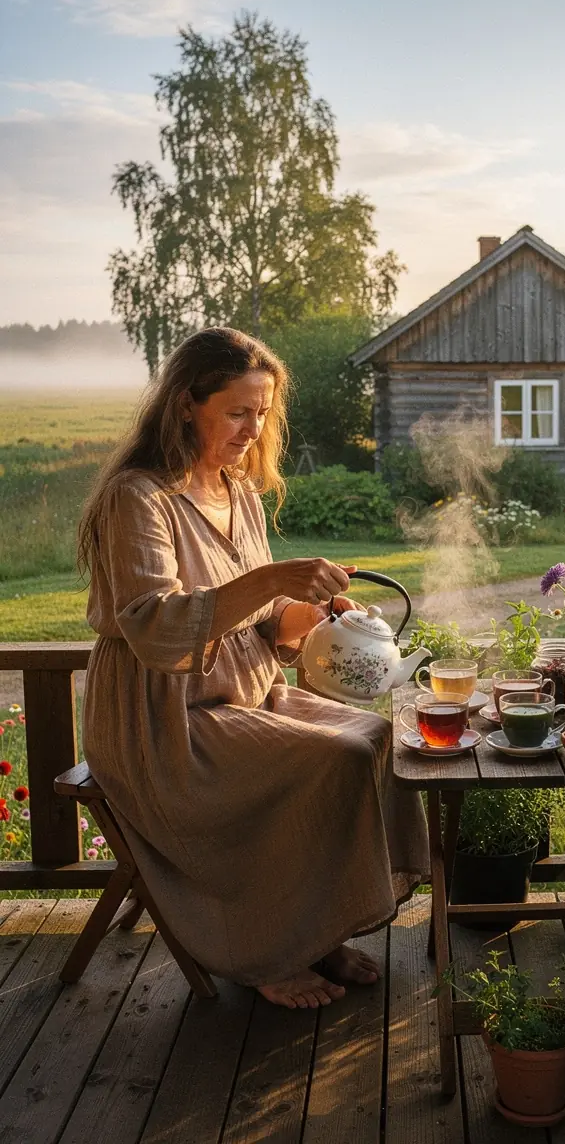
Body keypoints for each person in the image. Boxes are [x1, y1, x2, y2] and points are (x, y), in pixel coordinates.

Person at [77, 327, 429, 1009]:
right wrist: (274, 578)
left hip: (246, 696)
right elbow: (153, 626)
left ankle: (319, 931)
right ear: (186, 403)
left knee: (374, 739)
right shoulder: (139, 498)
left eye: (262, 412)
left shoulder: (238, 493)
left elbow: (270, 624)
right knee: (330, 761)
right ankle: (265, 952)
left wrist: (314, 611)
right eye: (237, 411)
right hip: (164, 722)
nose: (252, 428)